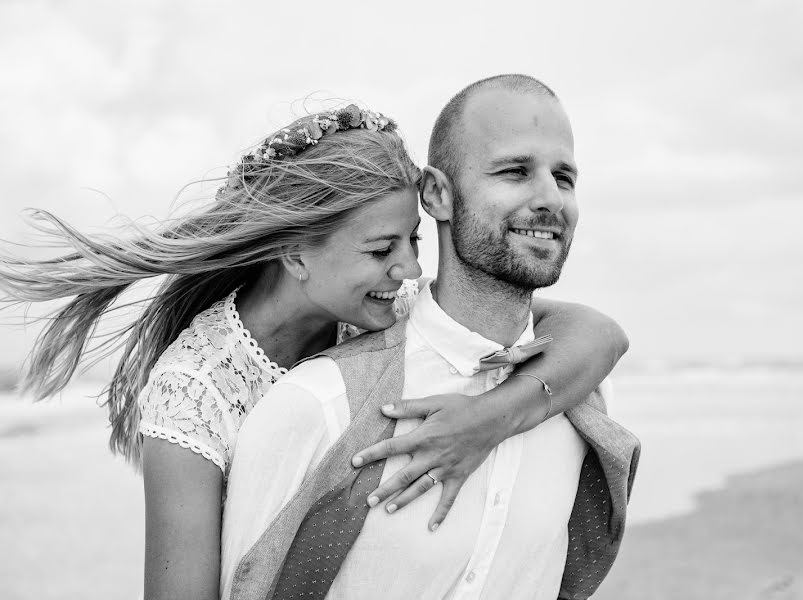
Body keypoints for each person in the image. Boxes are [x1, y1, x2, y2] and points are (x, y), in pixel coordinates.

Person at [0, 101, 628, 599]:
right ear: (296, 254)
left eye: (412, 239)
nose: (412, 269)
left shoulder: (379, 306)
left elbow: (597, 334)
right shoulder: (193, 390)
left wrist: (486, 422)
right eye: (382, 250)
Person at [221, 75, 640, 600]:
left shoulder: (580, 406)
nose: (550, 198)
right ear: (438, 194)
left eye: (565, 177)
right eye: (515, 172)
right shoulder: (315, 408)